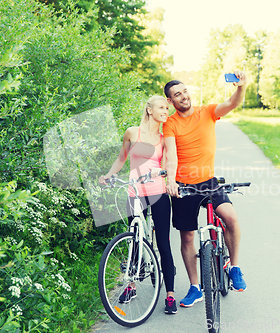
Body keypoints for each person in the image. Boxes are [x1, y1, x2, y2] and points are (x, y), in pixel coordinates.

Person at [163, 71, 249, 308]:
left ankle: (234, 267)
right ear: (170, 101)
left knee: (230, 217)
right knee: (187, 235)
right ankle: (195, 287)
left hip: (209, 181)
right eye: (177, 95)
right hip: (183, 184)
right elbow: (171, 155)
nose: (183, 97)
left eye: (184, 92)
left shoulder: (207, 112)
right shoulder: (170, 123)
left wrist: (241, 87)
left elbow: (232, 103)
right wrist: (171, 180)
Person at [99, 95, 177, 314]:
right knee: (134, 239)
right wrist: (108, 175)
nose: (166, 110)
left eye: (167, 108)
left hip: (159, 193)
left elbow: (168, 162)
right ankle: (131, 285)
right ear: (149, 110)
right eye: (162, 107)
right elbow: (121, 158)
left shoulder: (163, 138)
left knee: (163, 243)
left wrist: (165, 174)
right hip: (134, 192)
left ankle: (170, 295)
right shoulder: (133, 132)